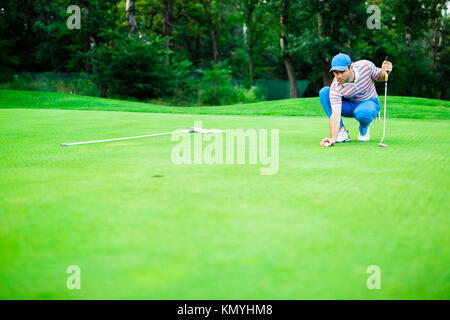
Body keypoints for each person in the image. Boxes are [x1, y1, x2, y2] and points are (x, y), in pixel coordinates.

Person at [319, 53, 393, 147]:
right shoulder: (336, 86)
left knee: (362, 112)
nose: (339, 76)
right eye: (336, 72)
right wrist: (333, 138)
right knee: (324, 93)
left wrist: (386, 71)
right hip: (350, 106)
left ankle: (364, 127)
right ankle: (341, 131)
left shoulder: (366, 66)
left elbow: (380, 76)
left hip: (369, 103)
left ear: (351, 67)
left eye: (342, 72)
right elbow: (335, 114)